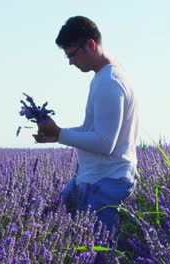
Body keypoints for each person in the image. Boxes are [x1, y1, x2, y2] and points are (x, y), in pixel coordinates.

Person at [34, 16, 139, 233]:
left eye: (72, 54)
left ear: (90, 45)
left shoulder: (110, 82)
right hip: (91, 179)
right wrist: (56, 134)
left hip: (106, 184)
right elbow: (93, 131)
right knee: (45, 225)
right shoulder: (103, 77)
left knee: (100, 251)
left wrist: (61, 134)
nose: (71, 62)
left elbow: (104, 142)